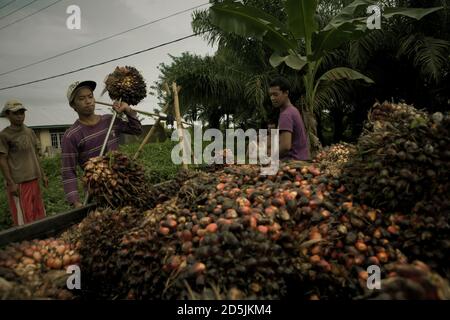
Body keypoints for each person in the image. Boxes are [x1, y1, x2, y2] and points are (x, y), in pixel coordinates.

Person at [61, 80, 143, 208]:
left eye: (90, 96)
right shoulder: (71, 135)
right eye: (82, 99)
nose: (88, 101)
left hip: (123, 183)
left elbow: (137, 129)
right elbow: (68, 172)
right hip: (99, 192)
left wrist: (127, 109)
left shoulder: (109, 120)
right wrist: (75, 201)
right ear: (73, 105)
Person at [0, 99, 47, 226]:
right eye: (16, 113)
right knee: (24, 219)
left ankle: (40, 242)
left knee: (39, 214)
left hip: (34, 179)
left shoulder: (29, 131)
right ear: (7, 115)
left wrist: (43, 174)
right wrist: (11, 183)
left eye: (22, 112)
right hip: (19, 183)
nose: (20, 116)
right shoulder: (5, 135)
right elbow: (2, 159)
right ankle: (26, 243)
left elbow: (36, 154)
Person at [269, 76, 310, 161]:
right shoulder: (293, 110)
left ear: (286, 93)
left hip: (293, 162)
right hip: (302, 159)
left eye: (275, 94)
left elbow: (285, 146)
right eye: (271, 95)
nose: (272, 98)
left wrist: (269, 158)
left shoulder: (286, 114)